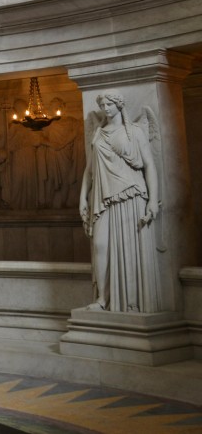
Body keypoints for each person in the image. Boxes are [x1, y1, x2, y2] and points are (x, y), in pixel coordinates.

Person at [79, 91, 163, 312]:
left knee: (127, 248)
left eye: (109, 104)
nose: (105, 108)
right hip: (103, 197)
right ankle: (102, 299)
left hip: (131, 194)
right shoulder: (98, 133)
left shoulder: (134, 132)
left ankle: (130, 302)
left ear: (118, 105)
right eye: (102, 104)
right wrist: (82, 198)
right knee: (100, 245)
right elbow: (89, 170)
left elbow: (149, 166)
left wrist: (153, 200)